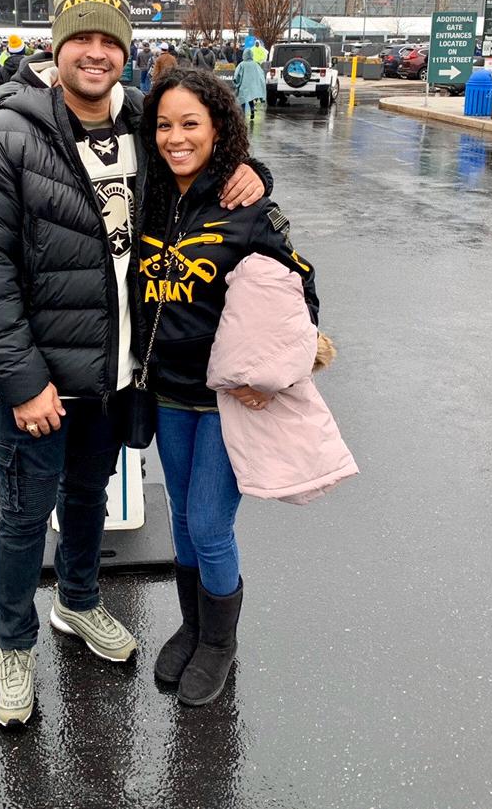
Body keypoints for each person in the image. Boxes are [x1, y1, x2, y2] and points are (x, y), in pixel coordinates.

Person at [0, 0, 267, 728]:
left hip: (114, 377)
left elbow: (204, 158)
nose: (96, 52)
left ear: (126, 49)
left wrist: (253, 171)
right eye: (80, 38)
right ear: (57, 47)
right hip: (39, 383)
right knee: (24, 518)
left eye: (110, 40)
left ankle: (80, 600)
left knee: (87, 498)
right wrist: (21, 381)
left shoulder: (144, 128)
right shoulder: (4, 137)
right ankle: (14, 646)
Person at [138, 66, 318, 707]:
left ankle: (219, 642)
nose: (176, 138)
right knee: (184, 519)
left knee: (212, 525)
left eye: (191, 123)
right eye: (164, 125)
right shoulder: (148, 196)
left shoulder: (249, 210)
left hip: (226, 403)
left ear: (218, 130)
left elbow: (302, 294)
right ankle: (192, 627)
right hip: (168, 393)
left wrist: (278, 373)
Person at [233, 47, 266, 119]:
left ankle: (243, 115)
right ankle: (252, 109)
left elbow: (237, 75)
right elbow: (261, 74)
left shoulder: (241, 64)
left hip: (244, 85)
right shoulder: (255, 64)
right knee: (250, 98)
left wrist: (236, 83)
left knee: (243, 100)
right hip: (253, 86)